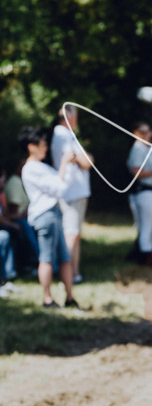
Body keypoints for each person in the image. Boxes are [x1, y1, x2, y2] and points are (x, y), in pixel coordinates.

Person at [19, 126, 79, 308]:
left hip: (54, 213)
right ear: (31, 146)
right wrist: (63, 164)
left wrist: (70, 164)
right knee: (46, 258)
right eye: (42, 145)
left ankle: (69, 298)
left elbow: (63, 183)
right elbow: (58, 187)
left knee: (65, 257)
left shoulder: (42, 167)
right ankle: (47, 299)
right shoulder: (30, 169)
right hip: (45, 216)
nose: (46, 148)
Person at [50, 106, 93, 283]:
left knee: (74, 233)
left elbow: (85, 159)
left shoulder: (66, 135)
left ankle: (74, 272)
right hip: (71, 192)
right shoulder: (63, 134)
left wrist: (85, 159)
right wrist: (85, 159)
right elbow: (86, 161)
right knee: (70, 233)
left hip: (76, 192)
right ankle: (68, 274)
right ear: (69, 117)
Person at [126, 122, 152, 267]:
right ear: (135, 133)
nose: (146, 134)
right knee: (146, 225)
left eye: (148, 131)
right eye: (142, 132)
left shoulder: (147, 148)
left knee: (150, 225)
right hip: (144, 190)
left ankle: (146, 254)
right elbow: (136, 172)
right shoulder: (137, 149)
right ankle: (145, 257)